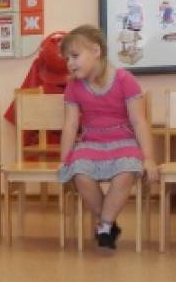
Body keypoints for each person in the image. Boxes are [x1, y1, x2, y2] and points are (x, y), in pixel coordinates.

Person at [57, 24, 157, 250]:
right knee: (79, 173)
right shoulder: (73, 86)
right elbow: (71, 125)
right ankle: (108, 224)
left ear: (96, 51)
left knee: (126, 172)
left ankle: (104, 225)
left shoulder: (124, 79)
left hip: (123, 141)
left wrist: (149, 158)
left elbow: (139, 121)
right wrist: (64, 159)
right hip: (91, 142)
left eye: (75, 56)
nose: (70, 63)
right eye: (66, 59)